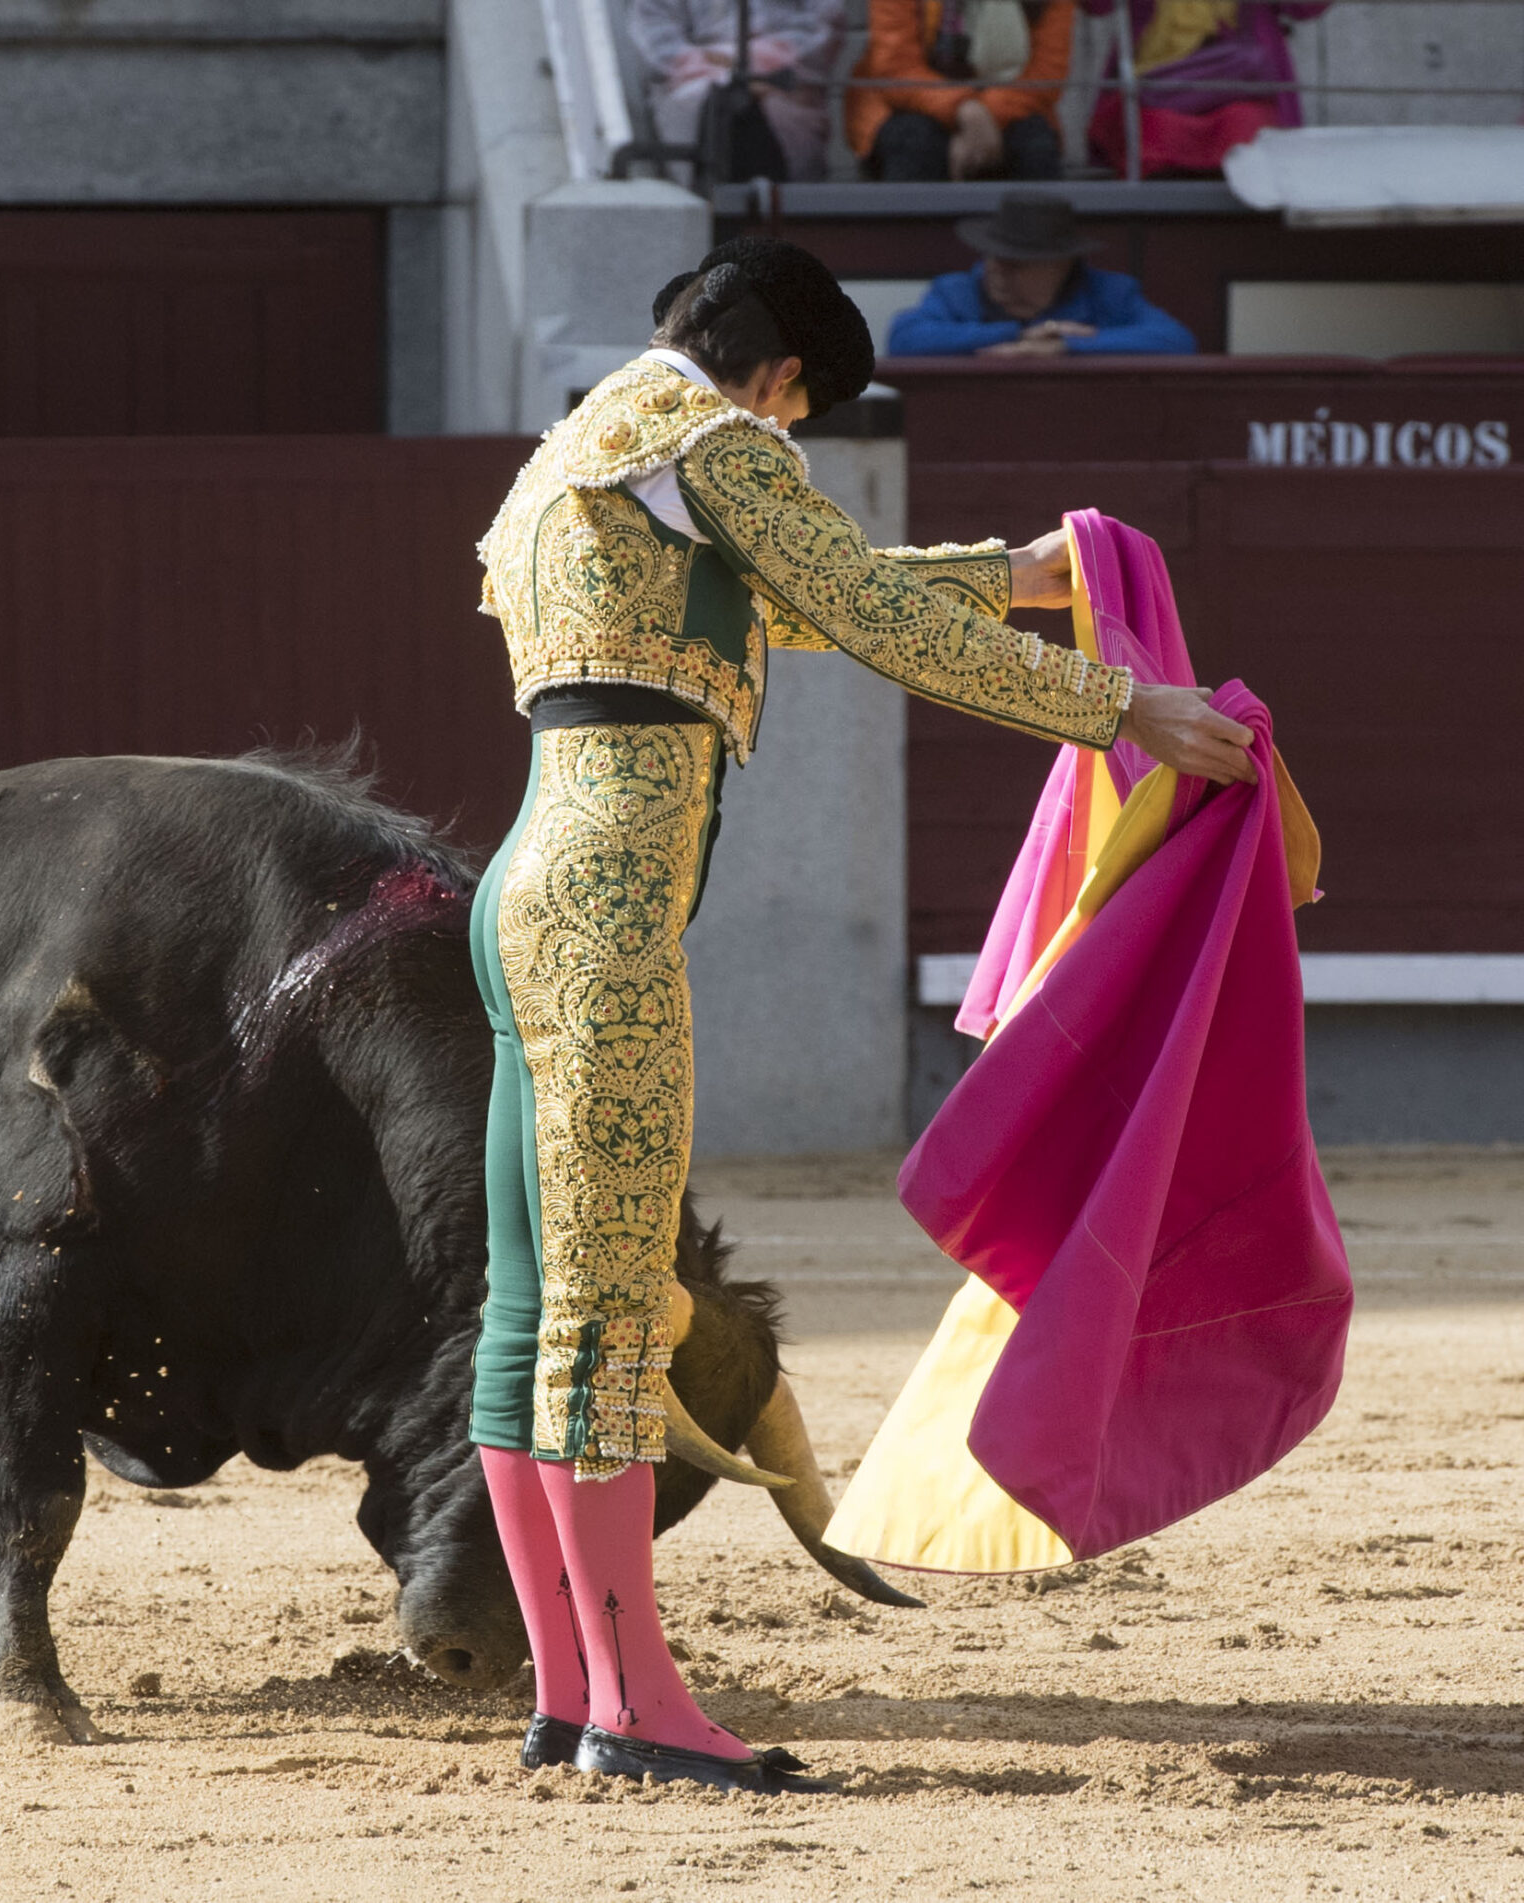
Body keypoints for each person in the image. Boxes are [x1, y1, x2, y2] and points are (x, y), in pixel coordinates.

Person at [468, 236, 1251, 1791]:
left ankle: (573, 1691)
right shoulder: (717, 434)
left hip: (524, 890)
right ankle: (637, 1707)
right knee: (608, 1306)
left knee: (531, 1303)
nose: (790, 443)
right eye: (802, 422)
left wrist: (1017, 578)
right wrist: (1120, 703)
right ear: (780, 382)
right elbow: (860, 610)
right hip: (613, 901)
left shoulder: (584, 445)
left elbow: (816, 592)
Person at [887, 192, 1196, 356]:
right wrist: (1019, 334)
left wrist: (1065, 346)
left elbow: (1176, 341)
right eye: (994, 258)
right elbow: (904, 340)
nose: (997, 273)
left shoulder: (1109, 293)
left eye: (1016, 265)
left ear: (1059, 265)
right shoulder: (956, 291)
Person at [1084, 0, 1329, 178]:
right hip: (1156, 82)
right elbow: (1096, 6)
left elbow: (1305, 7)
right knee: (1153, 134)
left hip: (1242, 87)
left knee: (1246, 136)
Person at [849, 0, 1075, 181]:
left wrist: (985, 116)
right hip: (907, 106)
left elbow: (1045, 73)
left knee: (1034, 148)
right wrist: (965, 110)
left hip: (1013, 107)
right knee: (917, 143)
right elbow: (896, 68)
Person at [625, 0, 844, 185]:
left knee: (772, 117)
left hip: (784, 87)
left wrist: (760, 63)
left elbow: (822, 28)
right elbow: (654, 37)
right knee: (710, 112)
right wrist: (716, 69)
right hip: (693, 86)